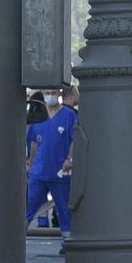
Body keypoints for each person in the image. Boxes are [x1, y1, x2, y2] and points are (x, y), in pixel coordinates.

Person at [24, 86, 80, 251]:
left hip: (60, 172)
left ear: (59, 94)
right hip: (39, 172)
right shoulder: (38, 115)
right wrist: (30, 162)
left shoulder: (69, 116)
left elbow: (74, 139)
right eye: (47, 93)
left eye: (53, 93)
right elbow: (33, 142)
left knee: (64, 208)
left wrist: (70, 159)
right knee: (30, 205)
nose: (50, 96)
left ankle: (67, 241)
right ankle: (18, 238)